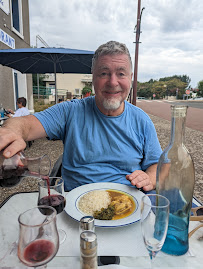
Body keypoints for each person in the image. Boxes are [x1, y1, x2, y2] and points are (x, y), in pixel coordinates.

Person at [0, 41, 162, 191]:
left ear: (131, 78)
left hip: (128, 205)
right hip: (76, 210)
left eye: (121, 74)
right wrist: (12, 132)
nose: (113, 82)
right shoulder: (70, 111)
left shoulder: (142, 120)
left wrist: (149, 178)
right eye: (104, 73)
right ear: (93, 77)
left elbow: (157, 164)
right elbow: (25, 124)